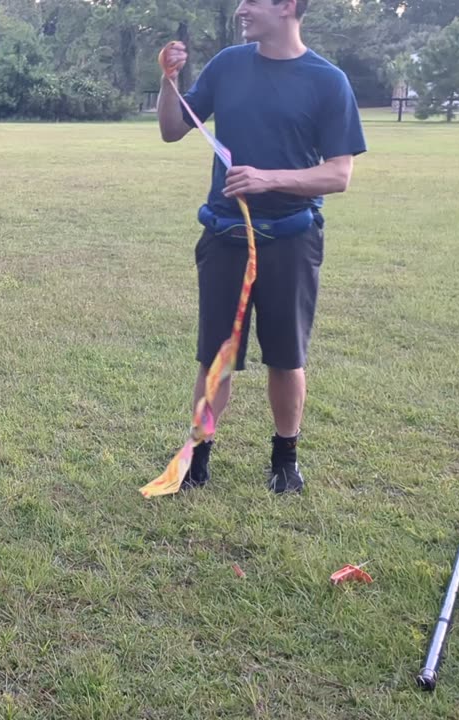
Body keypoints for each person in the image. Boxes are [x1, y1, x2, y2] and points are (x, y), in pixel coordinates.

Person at [157, 0, 366, 494]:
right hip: (225, 238)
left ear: (288, 6)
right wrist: (169, 81)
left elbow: (339, 173)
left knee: (286, 358)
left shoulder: (327, 80)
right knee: (217, 358)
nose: (241, 9)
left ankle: (284, 461)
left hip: (291, 241)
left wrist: (266, 179)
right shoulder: (228, 65)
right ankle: (198, 456)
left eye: (253, 1)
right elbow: (170, 130)